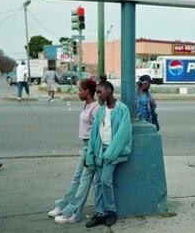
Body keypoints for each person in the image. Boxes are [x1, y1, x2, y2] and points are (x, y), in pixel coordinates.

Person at [48, 79, 99, 223]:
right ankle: (63, 205)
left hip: (90, 147)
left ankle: (73, 213)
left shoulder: (95, 108)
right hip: (85, 146)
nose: (78, 93)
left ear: (88, 91)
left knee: (84, 182)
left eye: (80, 90)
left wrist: (90, 152)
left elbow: (97, 133)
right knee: (77, 179)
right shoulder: (87, 105)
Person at [85, 78, 132, 228]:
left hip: (113, 151)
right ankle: (100, 214)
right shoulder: (100, 110)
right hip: (100, 151)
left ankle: (111, 212)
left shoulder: (122, 109)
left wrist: (110, 153)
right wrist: (90, 154)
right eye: (97, 93)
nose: (98, 95)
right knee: (98, 182)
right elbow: (94, 134)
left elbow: (123, 134)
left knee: (106, 180)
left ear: (109, 91)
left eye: (100, 92)